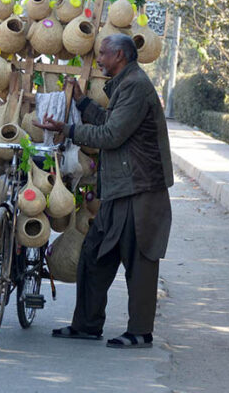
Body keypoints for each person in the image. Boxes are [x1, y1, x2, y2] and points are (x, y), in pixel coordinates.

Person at [34, 34, 173, 349]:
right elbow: (111, 121)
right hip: (119, 189)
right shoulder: (126, 85)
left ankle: (140, 332)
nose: (98, 60)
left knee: (140, 262)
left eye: (102, 54)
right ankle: (86, 324)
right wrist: (83, 103)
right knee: (94, 256)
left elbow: (111, 135)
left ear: (120, 55)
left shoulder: (136, 86)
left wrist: (68, 130)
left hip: (140, 190)